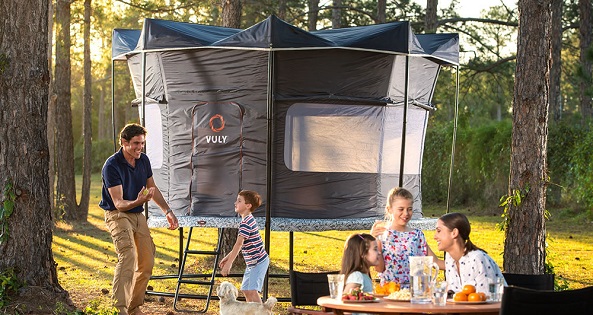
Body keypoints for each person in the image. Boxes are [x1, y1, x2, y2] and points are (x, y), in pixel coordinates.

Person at [99, 123, 179, 315]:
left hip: (137, 214)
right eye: (135, 143)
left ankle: (134, 307)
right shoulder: (112, 165)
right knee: (128, 255)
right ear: (124, 142)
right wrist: (138, 200)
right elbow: (118, 203)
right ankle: (120, 309)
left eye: (142, 143)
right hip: (118, 214)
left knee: (146, 261)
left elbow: (152, 188)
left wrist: (167, 211)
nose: (139, 147)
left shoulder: (143, 160)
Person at [370, 187, 443, 287]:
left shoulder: (417, 235)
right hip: (390, 291)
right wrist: (372, 242)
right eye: (401, 209)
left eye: (409, 209)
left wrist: (463, 262)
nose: (406, 213)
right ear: (389, 209)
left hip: (415, 291)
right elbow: (379, 268)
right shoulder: (382, 235)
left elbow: (435, 262)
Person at [218, 190, 270, 303]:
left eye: (239, 201)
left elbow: (239, 244)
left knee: (252, 290)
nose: (235, 203)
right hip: (252, 263)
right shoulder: (246, 220)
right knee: (246, 290)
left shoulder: (247, 222)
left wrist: (229, 264)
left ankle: (262, 312)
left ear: (248, 206)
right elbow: (240, 245)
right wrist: (227, 257)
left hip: (259, 262)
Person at [434, 212, 505, 293]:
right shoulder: (450, 258)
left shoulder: (477, 259)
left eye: (439, 231)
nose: (435, 237)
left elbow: (488, 299)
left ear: (454, 233)